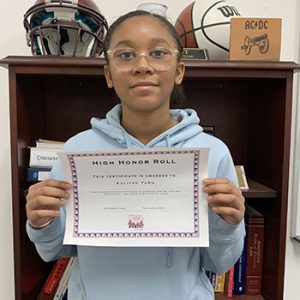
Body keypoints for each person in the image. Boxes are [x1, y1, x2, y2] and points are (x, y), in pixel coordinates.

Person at [26, 10, 245, 300]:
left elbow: (220, 262)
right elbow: (54, 250)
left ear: (179, 70)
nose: (142, 65)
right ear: (108, 74)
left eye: (157, 52)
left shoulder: (212, 153)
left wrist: (229, 224)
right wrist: (41, 222)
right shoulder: (78, 151)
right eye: (126, 55)